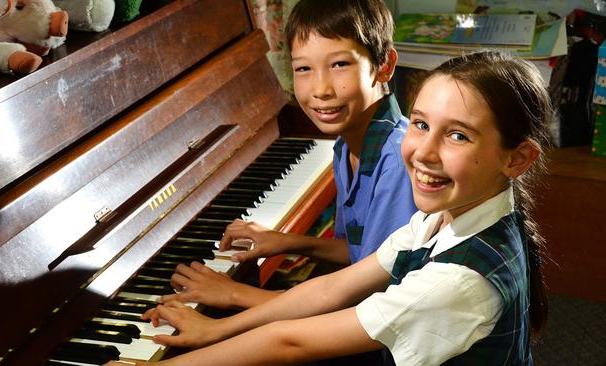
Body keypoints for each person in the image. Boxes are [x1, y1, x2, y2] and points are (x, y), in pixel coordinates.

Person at [105, 49, 553, 366]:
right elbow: (331, 290)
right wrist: (218, 328)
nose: (423, 152)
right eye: (420, 124)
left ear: (517, 158)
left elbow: (291, 343)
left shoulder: (458, 282)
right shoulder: (446, 216)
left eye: (458, 135)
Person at [159, 0, 416, 311]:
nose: (320, 89)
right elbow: (362, 252)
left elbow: (370, 302)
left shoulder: (398, 162)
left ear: (384, 65)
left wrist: (233, 295)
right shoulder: (347, 144)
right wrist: (289, 242)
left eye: (339, 65)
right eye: (303, 69)